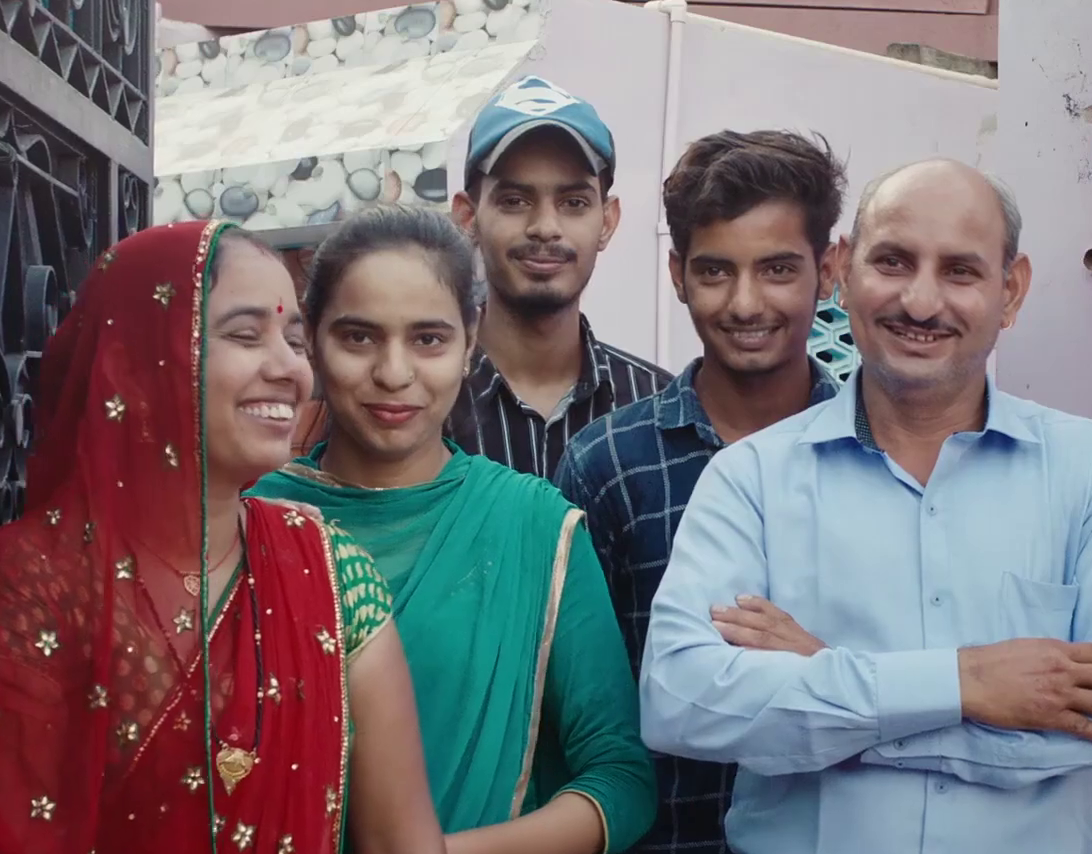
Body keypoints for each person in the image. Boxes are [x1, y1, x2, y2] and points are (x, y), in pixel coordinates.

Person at [640, 159, 1092, 854]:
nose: (921, 301)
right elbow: (681, 700)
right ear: (845, 272)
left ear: (1011, 290)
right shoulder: (750, 479)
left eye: (960, 271)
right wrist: (967, 682)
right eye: (893, 261)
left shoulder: (1083, 472)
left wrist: (827, 683)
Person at [0, 221, 444, 854]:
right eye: (244, 335)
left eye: (295, 341)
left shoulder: (331, 569)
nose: (290, 369)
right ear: (131, 366)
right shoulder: (31, 585)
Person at [249, 205, 657, 854]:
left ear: (470, 345)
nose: (393, 372)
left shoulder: (534, 526)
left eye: (428, 340)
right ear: (314, 342)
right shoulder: (251, 519)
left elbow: (622, 779)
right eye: (358, 337)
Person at [555, 130, 844, 854]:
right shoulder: (608, 464)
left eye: (778, 269)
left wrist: (826, 666)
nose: (746, 303)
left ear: (829, 269)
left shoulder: (877, 457)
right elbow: (584, 715)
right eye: (716, 271)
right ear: (677, 273)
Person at [446, 74, 672, 479]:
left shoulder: (661, 409)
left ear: (607, 221)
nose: (545, 227)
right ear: (468, 217)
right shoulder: (420, 403)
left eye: (574, 202)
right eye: (515, 200)